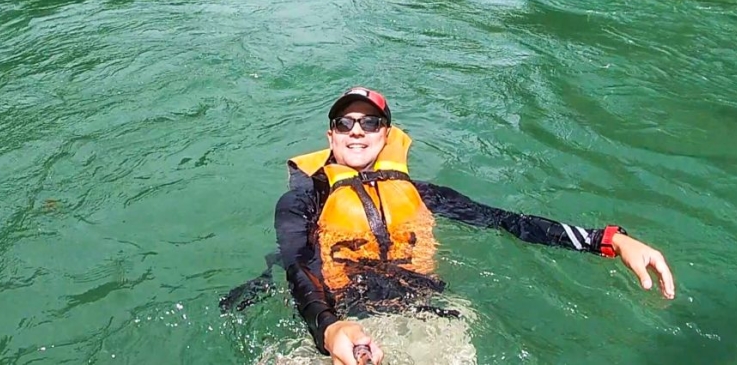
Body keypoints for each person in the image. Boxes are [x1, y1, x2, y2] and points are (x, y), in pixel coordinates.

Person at [269, 87, 675, 365]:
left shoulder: (423, 194)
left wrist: (607, 240)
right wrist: (330, 328)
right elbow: (298, 263)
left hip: (423, 315)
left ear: (386, 135)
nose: (357, 130)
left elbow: (506, 221)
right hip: (336, 322)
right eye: (345, 123)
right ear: (331, 135)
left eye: (370, 123)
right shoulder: (305, 200)